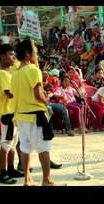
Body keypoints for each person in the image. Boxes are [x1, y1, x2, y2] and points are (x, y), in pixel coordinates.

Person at [11, 39, 65, 186]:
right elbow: (37, 94)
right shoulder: (33, 69)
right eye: (34, 50)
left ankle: (27, 179)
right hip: (35, 115)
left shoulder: (15, 73)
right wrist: (47, 100)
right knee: (44, 148)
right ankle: (47, 179)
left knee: (25, 148)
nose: (36, 53)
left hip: (21, 116)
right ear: (28, 53)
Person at [0, 44, 24, 184]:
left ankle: (11, 168)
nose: (14, 57)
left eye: (14, 54)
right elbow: (10, 93)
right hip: (7, 114)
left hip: (14, 114)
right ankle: (2, 173)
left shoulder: (10, 71)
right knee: (6, 145)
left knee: (13, 144)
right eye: (11, 54)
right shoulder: (2, 73)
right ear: (2, 56)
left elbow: (19, 65)